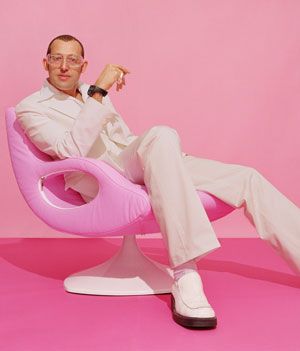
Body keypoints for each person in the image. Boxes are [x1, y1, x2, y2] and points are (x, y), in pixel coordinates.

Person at [15, 34, 300, 329]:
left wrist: (164, 162)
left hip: (133, 163)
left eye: (72, 59)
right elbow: (69, 150)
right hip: (103, 178)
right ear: (45, 62)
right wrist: (99, 92)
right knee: (161, 134)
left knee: (245, 177)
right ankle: (186, 275)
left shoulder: (90, 92)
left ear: (83, 65)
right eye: (56, 58)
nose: (64, 66)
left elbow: (123, 139)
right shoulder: (32, 107)